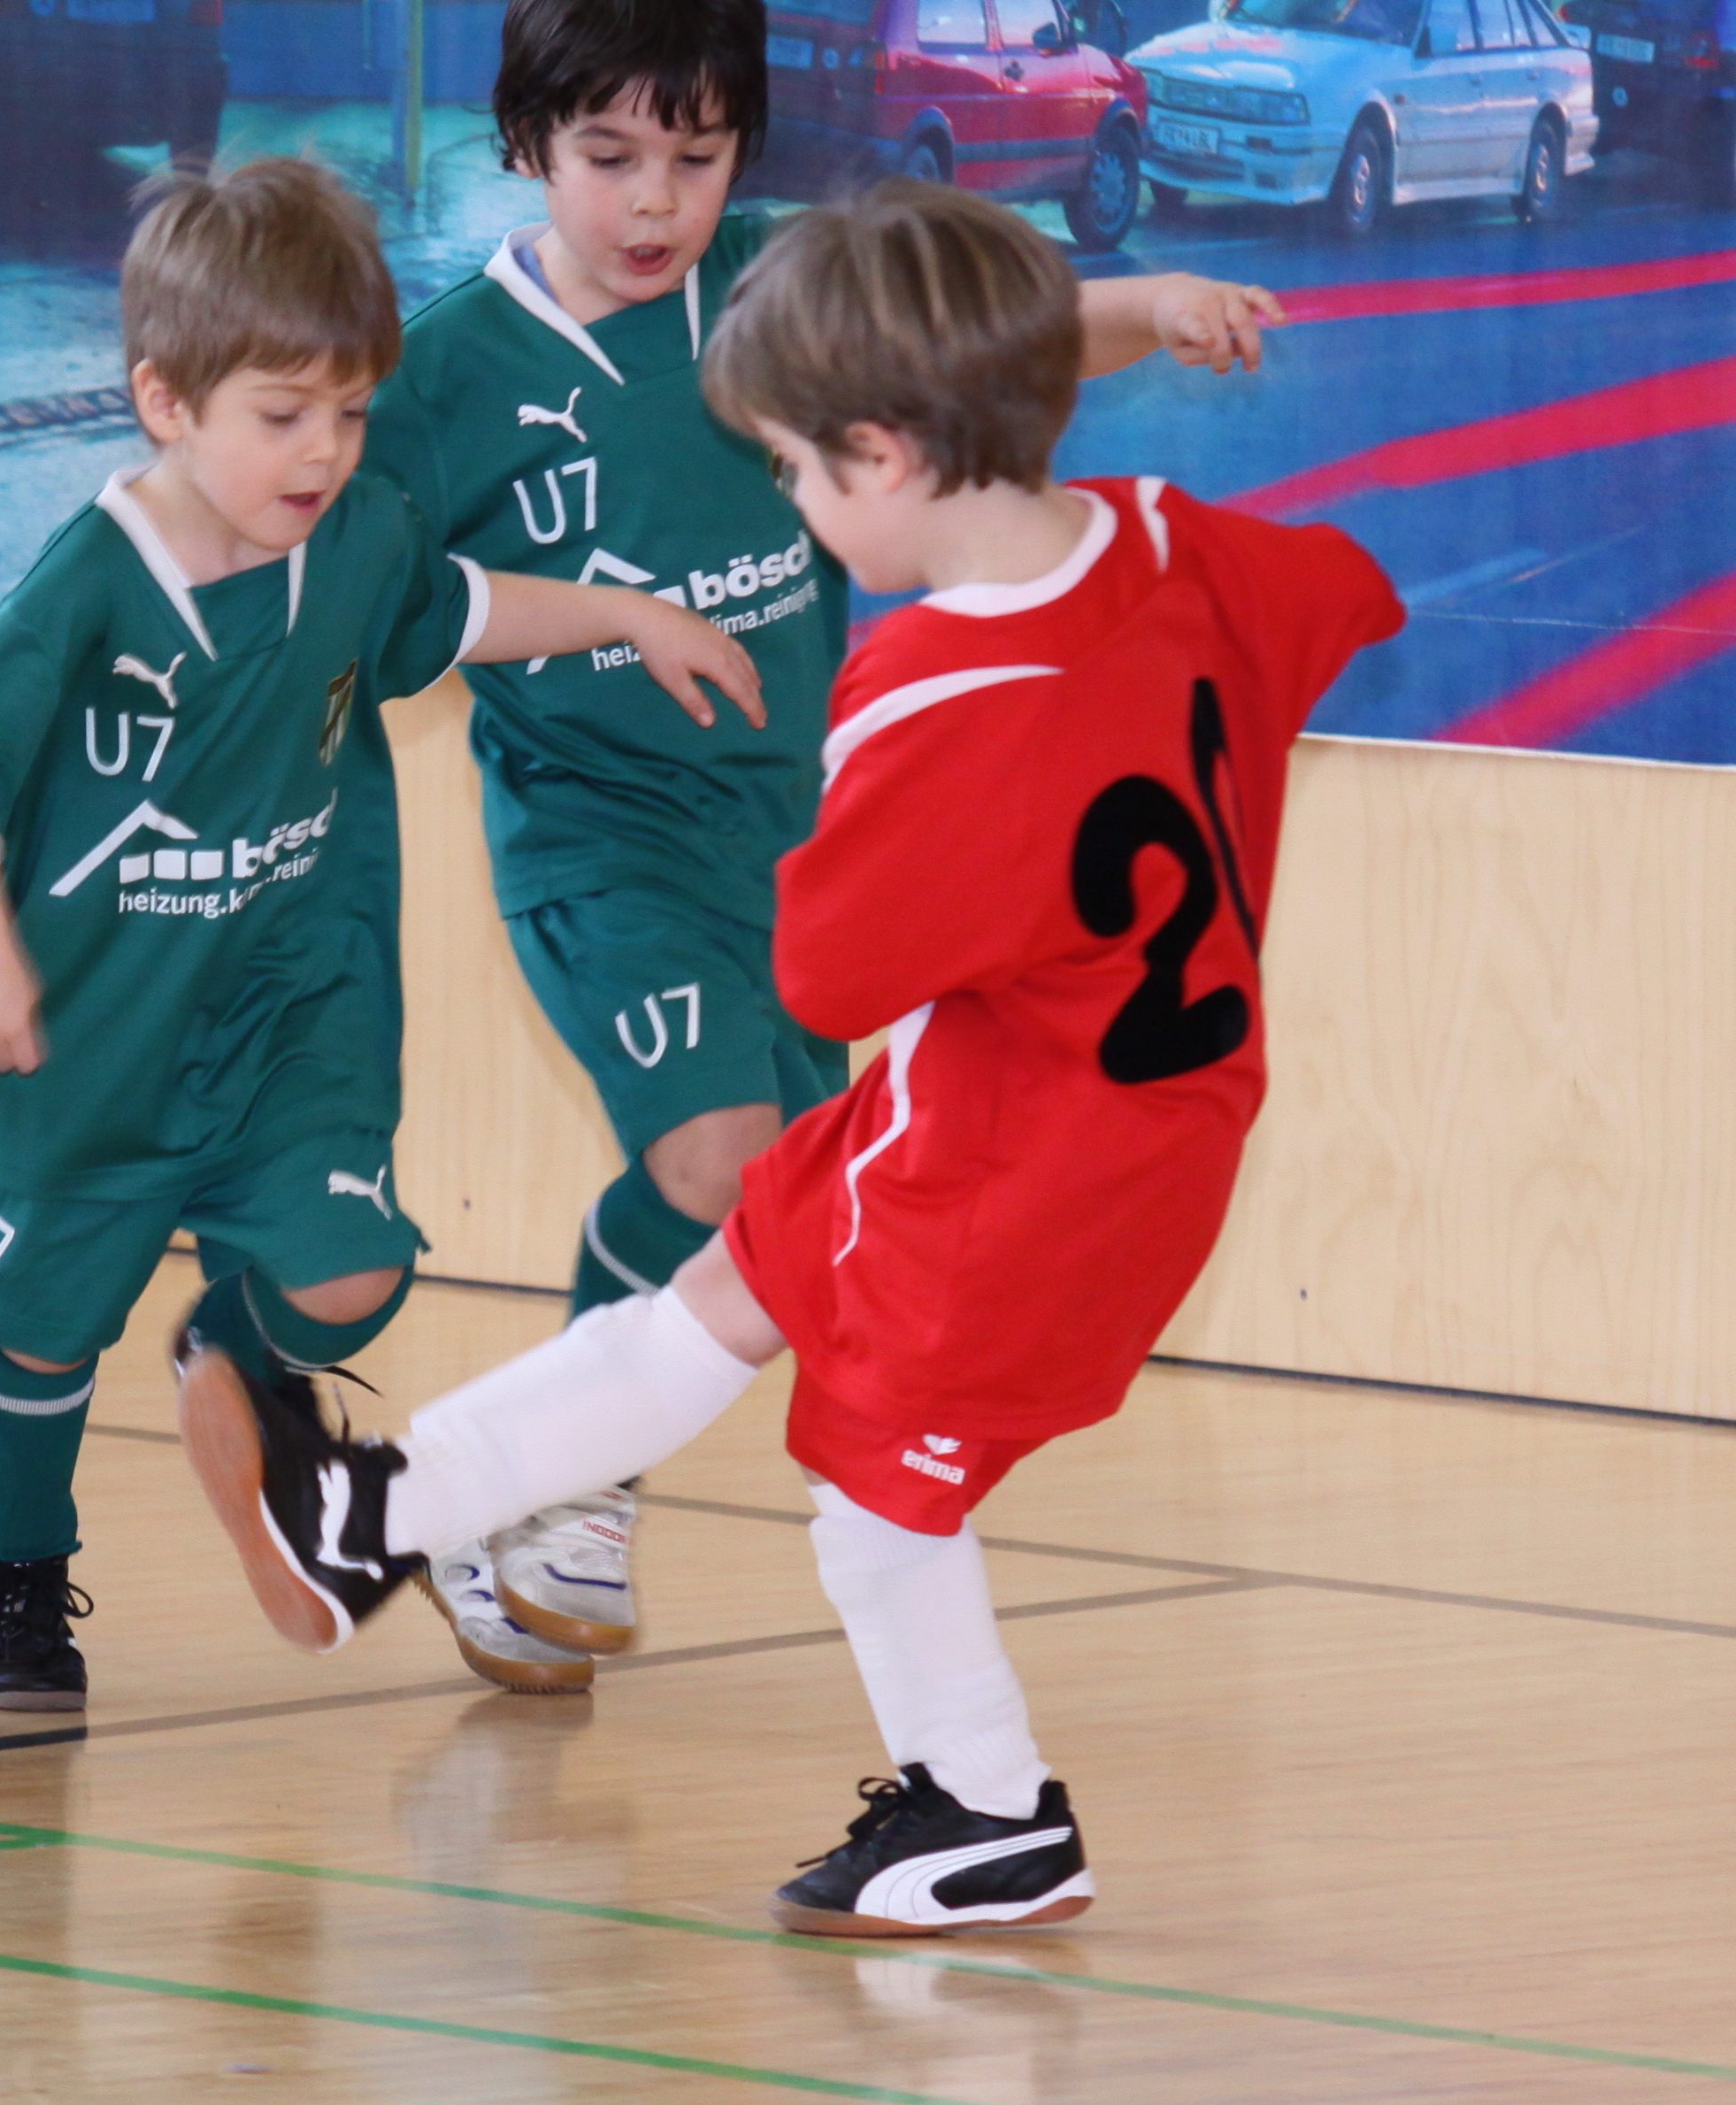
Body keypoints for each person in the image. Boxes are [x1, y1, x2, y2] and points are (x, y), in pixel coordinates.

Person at [178, 181, 1402, 1934]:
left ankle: (991, 1811)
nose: (798, 512)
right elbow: (1342, 591)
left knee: (879, 1493)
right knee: (709, 1304)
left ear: (883, 455)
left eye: (795, 475)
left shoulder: (934, 693)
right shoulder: (1167, 541)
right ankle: (372, 1519)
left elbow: (826, 965)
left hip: (1023, 1169)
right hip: (1096, 1116)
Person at [362, 0, 1288, 1692]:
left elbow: (986, 359)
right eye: (608, 158)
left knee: (777, 1204)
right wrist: (599, 616)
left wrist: (1153, 303)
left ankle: (529, 1484)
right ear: (525, 145)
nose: (654, 200)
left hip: (798, 841)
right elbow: (369, 595)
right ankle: (549, 1497)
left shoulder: (775, 289)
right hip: (601, 835)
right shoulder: (446, 380)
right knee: (718, 1160)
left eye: (696, 157)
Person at [0, 158, 766, 1713]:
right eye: (282, 415)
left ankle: (226, 1364)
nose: (326, 451)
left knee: (349, 1271)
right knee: (37, 1333)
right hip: (88, 1034)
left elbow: (464, 609)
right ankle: (8, 1562)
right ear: (165, 400)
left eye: (349, 413)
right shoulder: (89, 585)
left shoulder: (359, 538)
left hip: (291, 1004)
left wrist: (629, 614)